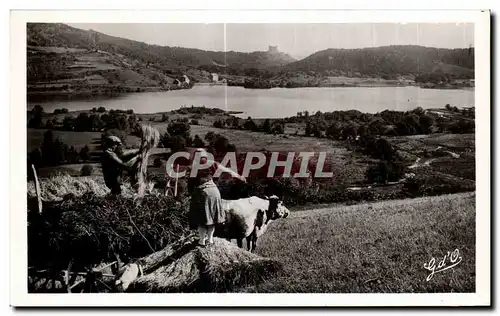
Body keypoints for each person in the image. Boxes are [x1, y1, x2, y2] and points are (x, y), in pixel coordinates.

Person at [187, 148, 246, 247]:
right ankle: (210, 240)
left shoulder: (194, 167)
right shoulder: (212, 163)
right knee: (212, 217)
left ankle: (201, 241)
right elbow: (228, 171)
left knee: (202, 219)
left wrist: (190, 194)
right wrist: (240, 177)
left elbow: (191, 184)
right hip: (214, 191)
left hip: (202, 192)